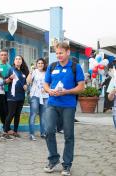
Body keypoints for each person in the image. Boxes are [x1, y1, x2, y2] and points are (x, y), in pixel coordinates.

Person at [43, 42, 85, 176]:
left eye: (61, 52)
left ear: (68, 52)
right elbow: (46, 84)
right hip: (52, 103)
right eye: (57, 53)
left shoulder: (75, 67)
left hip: (68, 105)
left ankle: (66, 165)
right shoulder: (52, 66)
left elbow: (81, 87)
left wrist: (67, 91)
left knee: (68, 135)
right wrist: (49, 91)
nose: (58, 55)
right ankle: (53, 159)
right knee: (49, 131)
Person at [3, 55, 29, 139]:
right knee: (11, 114)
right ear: (14, 61)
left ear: (22, 61)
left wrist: (26, 85)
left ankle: (15, 131)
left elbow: (26, 82)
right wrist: (10, 78)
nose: (18, 60)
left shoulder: (24, 72)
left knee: (17, 114)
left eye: (19, 59)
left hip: (21, 96)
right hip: (12, 96)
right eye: (16, 59)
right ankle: (5, 131)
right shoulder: (11, 69)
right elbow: (5, 81)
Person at [26, 58, 49, 141]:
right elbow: (28, 81)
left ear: (44, 64)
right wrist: (31, 71)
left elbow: (50, 83)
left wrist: (46, 89)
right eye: (38, 63)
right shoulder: (34, 72)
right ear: (36, 64)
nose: (40, 64)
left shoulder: (47, 73)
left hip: (45, 96)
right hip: (35, 95)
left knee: (43, 116)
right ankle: (32, 134)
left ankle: (43, 133)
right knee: (33, 114)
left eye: (42, 63)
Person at [0, 49, 11, 132]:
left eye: (5, 55)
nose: (3, 56)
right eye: (2, 55)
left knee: (6, 110)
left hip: (7, 91)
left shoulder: (9, 67)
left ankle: (5, 126)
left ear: (7, 56)